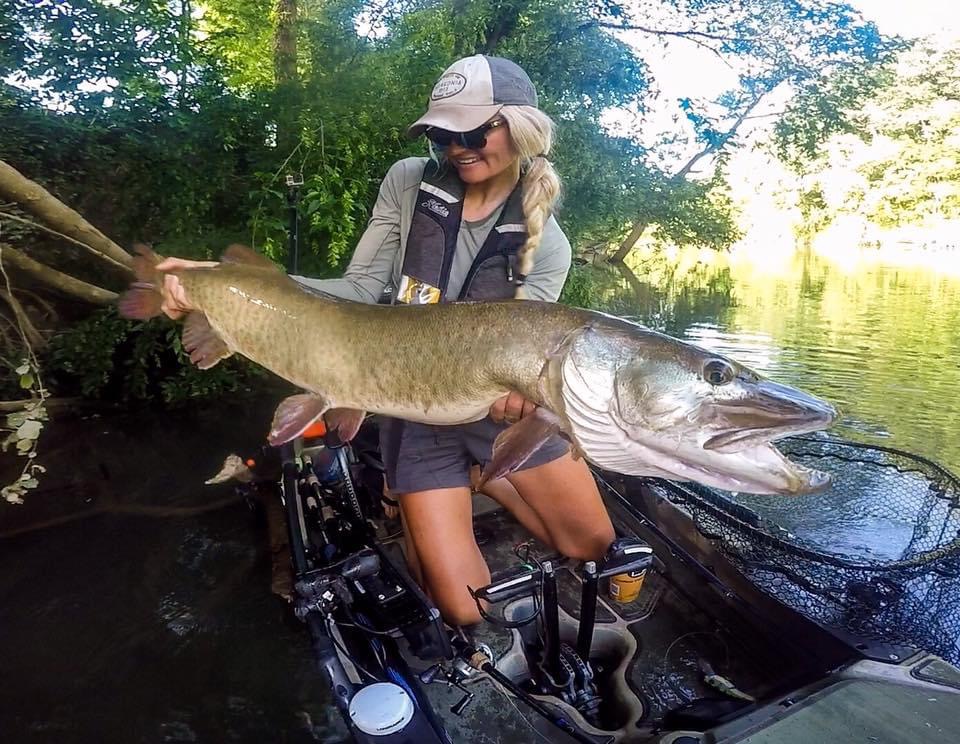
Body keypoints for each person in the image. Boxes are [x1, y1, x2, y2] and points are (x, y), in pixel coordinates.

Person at [156, 55, 615, 626]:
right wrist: (228, 285)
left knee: (593, 546)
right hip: (409, 403)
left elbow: (530, 358)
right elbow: (359, 287)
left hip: (493, 415)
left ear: (522, 128)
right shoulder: (408, 181)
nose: (459, 146)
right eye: (444, 134)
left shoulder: (550, 246)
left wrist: (525, 399)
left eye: (475, 130)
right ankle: (460, 482)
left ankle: (483, 477)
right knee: (464, 610)